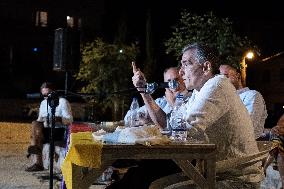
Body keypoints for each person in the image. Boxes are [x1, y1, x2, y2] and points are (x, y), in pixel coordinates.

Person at [130, 43, 263, 189]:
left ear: (206, 67)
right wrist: (143, 91)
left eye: (186, 64)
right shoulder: (198, 92)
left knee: (154, 183)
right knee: (154, 182)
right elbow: (169, 125)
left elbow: (183, 132)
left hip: (237, 180)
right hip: (214, 173)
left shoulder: (217, 85)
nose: (181, 72)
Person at [25, 82, 73, 172]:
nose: (46, 97)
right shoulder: (43, 103)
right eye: (44, 95)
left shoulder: (62, 102)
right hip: (45, 131)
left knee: (36, 135)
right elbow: (39, 119)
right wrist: (42, 120)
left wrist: (58, 119)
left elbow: (70, 119)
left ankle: (37, 159)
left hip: (58, 131)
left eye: (48, 94)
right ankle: (36, 144)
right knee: (35, 122)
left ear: (54, 92)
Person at [124, 66, 191, 127]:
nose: (173, 84)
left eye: (176, 80)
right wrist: (143, 119)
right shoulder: (162, 102)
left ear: (183, 79)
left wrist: (173, 103)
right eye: (169, 81)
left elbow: (186, 126)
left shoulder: (192, 99)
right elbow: (128, 118)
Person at [219, 64, 268, 139]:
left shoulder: (252, 95)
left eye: (226, 76)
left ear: (237, 75)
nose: (223, 81)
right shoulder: (224, 99)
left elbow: (247, 127)